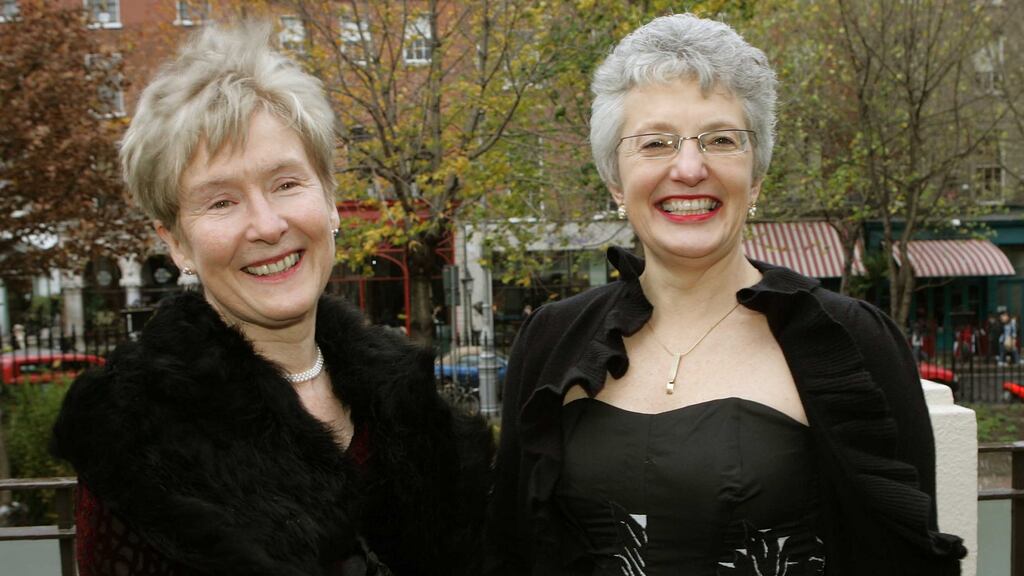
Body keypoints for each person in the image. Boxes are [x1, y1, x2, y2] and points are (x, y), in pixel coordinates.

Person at [484, 14, 964, 576]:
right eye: (656, 142)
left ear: (755, 177)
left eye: (721, 140)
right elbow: (510, 547)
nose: (689, 168)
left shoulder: (852, 341)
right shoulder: (551, 339)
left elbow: (904, 560)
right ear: (616, 179)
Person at [52, 23, 491, 576]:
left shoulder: (412, 405)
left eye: (286, 184)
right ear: (176, 242)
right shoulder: (135, 437)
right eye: (220, 202)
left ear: (330, 201)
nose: (266, 225)